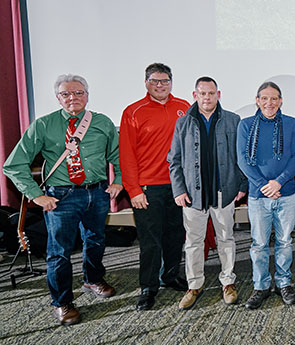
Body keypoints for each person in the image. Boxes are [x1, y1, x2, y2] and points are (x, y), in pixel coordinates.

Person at [3, 74, 122, 326]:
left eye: (78, 93)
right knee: (59, 252)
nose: (73, 98)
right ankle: (62, 302)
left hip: (97, 193)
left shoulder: (102, 122)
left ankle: (92, 279)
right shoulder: (43, 125)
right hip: (60, 197)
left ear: (87, 96)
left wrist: (119, 180)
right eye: (66, 94)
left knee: (96, 240)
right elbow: (13, 165)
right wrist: (36, 194)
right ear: (58, 98)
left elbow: (117, 154)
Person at [168, 76, 247, 310]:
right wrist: (179, 189)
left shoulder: (234, 120)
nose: (207, 97)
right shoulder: (183, 123)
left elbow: (241, 158)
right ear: (195, 95)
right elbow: (174, 160)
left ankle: (228, 283)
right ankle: (194, 285)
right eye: (202, 93)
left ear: (218, 94)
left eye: (211, 93)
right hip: (193, 195)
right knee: (193, 242)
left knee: (226, 239)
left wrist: (242, 186)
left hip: (225, 192)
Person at [119, 63, 189, 311]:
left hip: (179, 187)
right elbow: (126, 155)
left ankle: (170, 276)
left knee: (175, 236)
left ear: (172, 82)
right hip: (148, 189)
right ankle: (148, 287)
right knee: (150, 242)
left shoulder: (184, 108)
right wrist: (134, 190)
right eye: (155, 81)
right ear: (146, 82)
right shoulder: (133, 112)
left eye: (165, 80)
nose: (160, 85)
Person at [237, 81, 295, 309]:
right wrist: (265, 185)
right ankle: (261, 286)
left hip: (285, 194)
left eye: (274, 98)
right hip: (257, 195)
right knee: (259, 243)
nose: (269, 103)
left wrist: (279, 183)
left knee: (285, 241)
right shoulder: (245, 126)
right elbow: (243, 161)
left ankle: (283, 283)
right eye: (264, 98)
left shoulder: (292, 124)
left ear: (281, 100)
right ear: (257, 100)